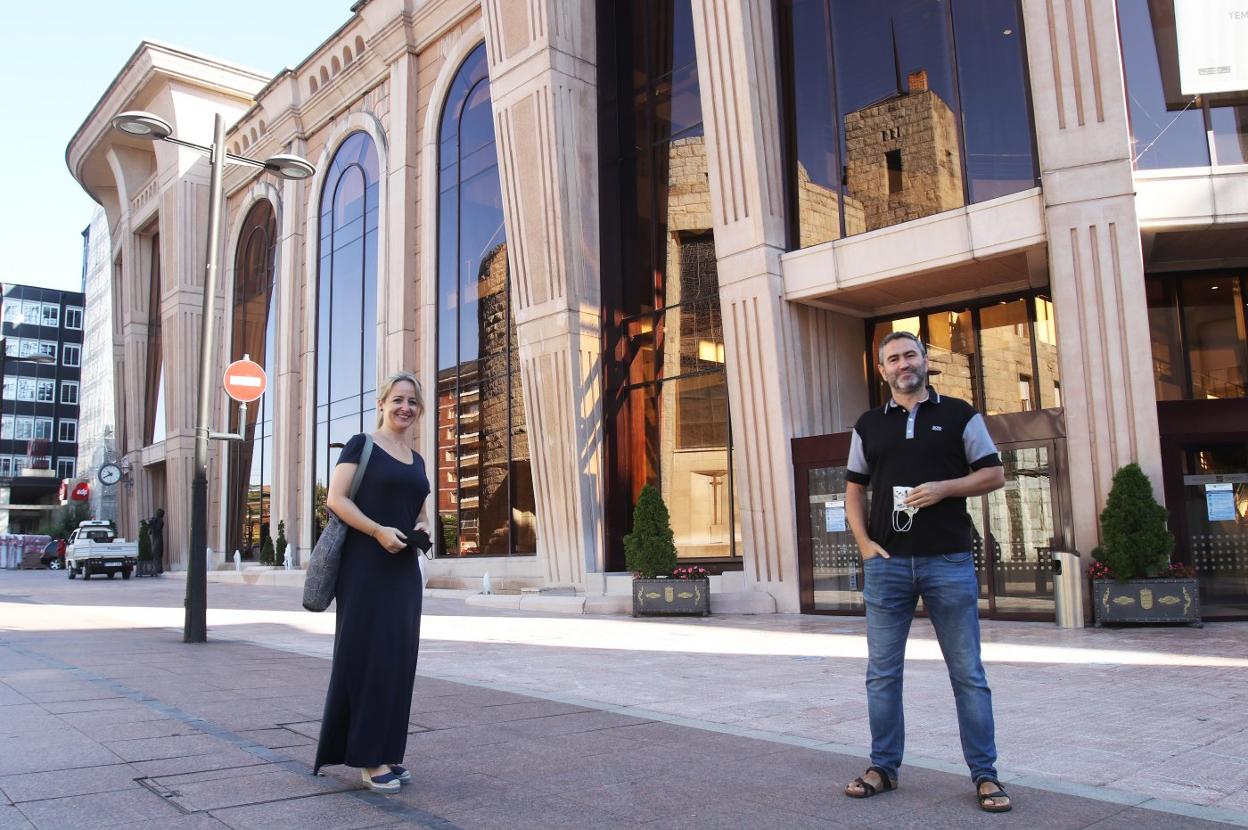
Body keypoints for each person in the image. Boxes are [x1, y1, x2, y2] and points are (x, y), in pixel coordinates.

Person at [842, 331, 1011, 813]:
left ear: (925, 360)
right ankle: (883, 767)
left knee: (968, 674)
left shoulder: (959, 414)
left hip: (948, 561)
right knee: (882, 674)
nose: (902, 364)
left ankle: (985, 775)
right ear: (882, 370)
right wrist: (864, 544)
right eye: (892, 359)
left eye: (910, 354)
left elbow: (994, 474)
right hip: (887, 566)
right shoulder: (868, 425)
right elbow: (854, 488)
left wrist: (945, 489)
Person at [313, 371, 431, 794]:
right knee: (367, 657)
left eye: (412, 402)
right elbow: (336, 498)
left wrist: (420, 524)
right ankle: (367, 757)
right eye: (398, 399)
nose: (405, 407)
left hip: (402, 569)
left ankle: (387, 749)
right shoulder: (362, 445)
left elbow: (417, 509)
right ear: (381, 403)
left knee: (398, 660)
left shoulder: (416, 460)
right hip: (365, 565)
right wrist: (379, 530)